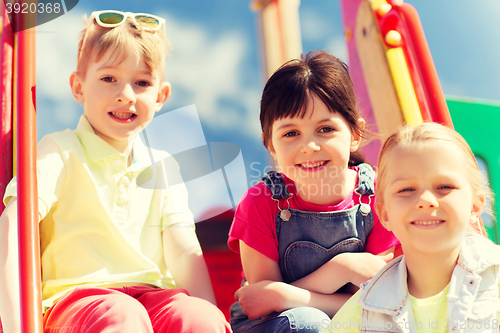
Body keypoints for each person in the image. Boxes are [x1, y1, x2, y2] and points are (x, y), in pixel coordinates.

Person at [0, 10, 231, 333]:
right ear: (78, 87)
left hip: (152, 297)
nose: (126, 94)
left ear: (160, 96)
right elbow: (13, 227)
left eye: (142, 82)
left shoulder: (163, 166)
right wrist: (17, 327)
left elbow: (183, 251)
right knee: (121, 316)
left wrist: (210, 315)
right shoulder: (60, 151)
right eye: (109, 78)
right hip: (78, 301)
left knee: (197, 317)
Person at [227, 50, 400, 333]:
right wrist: (344, 270)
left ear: (355, 134)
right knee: (309, 323)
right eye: (290, 133)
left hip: (359, 320)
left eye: (325, 128)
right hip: (279, 325)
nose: (309, 146)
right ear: (270, 144)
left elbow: (378, 301)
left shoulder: (379, 195)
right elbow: (262, 305)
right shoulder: (262, 202)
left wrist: (289, 292)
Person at [325, 123, 500, 333]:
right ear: (384, 213)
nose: (425, 200)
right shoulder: (361, 313)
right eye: (407, 189)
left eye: (444, 186)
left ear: (475, 205)